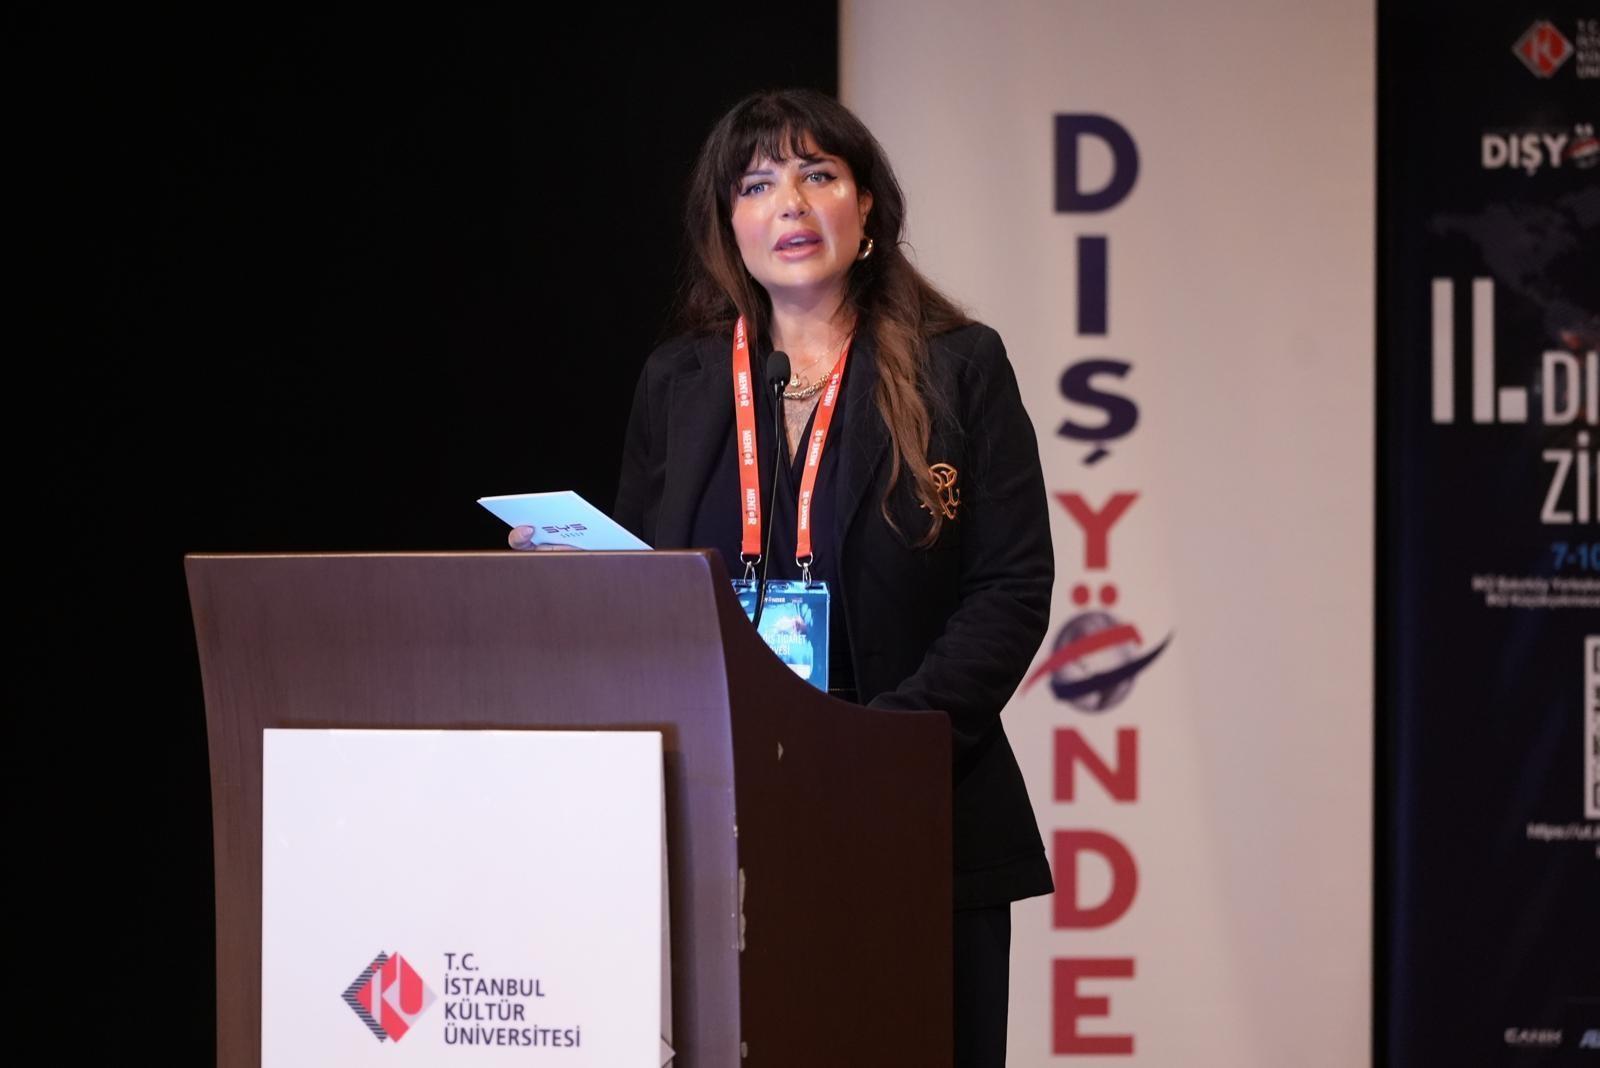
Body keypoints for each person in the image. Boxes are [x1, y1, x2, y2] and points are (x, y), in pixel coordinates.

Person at [512, 88, 1053, 1068]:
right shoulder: (680, 381)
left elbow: (1009, 589)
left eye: (817, 175)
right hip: (721, 815)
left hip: (911, 802)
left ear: (867, 206)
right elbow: (655, 588)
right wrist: (579, 581)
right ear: (728, 223)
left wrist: (881, 745)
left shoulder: (960, 365)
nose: (790, 204)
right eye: (757, 184)